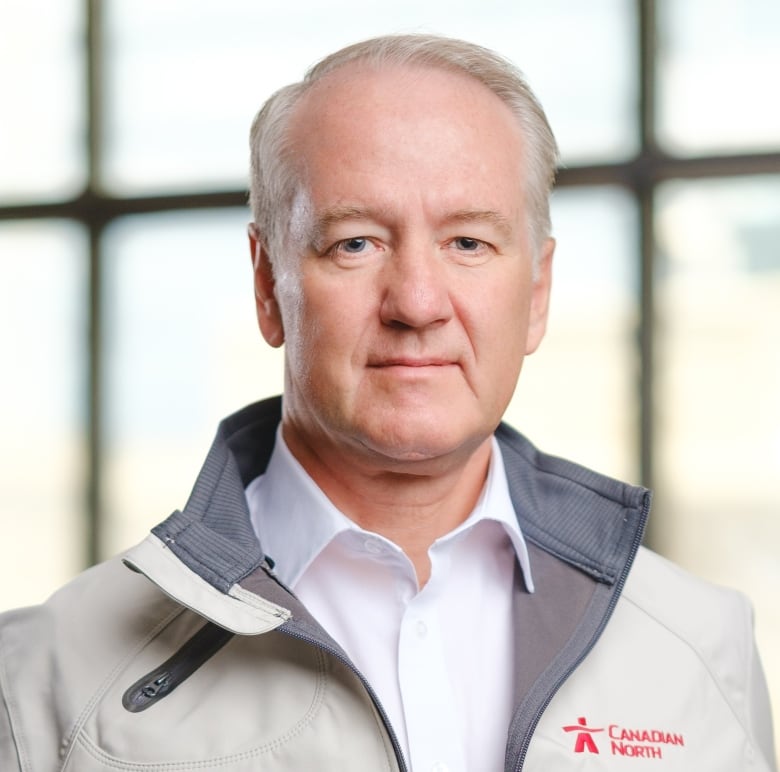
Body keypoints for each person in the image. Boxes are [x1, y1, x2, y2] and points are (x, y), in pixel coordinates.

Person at [0, 34, 775, 772]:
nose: (417, 302)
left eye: (468, 243)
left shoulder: (702, 646)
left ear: (536, 292)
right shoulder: (50, 675)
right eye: (356, 244)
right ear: (268, 285)